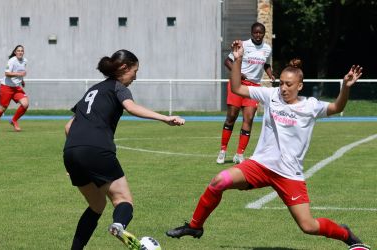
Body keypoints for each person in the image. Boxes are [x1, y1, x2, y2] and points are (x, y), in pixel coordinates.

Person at [166, 40, 368, 248]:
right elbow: (236, 88)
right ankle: (195, 225)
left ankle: (347, 236)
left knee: (308, 226)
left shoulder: (310, 106)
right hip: (260, 165)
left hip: (288, 174)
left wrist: (345, 87)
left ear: (300, 86)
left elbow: (336, 106)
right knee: (219, 181)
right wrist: (238, 59)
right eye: (281, 83)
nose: (283, 88)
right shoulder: (270, 95)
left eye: (288, 84)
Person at [63, 49, 185, 250]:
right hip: (97, 149)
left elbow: (68, 127)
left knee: (96, 206)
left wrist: (75, 159)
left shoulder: (93, 89)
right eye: (135, 71)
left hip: (71, 152)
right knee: (123, 200)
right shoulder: (117, 86)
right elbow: (131, 107)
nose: (135, 77)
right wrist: (164, 118)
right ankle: (119, 226)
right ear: (124, 67)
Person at [217, 22, 275, 164]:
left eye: (260, 32)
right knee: (231, 116)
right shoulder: (243, 45)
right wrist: (239, 73)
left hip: (253, 88)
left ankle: (239, 154)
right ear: (251, 33)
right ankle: (222, 151)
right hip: (238, 84)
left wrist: (271, 74)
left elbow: (265, 63)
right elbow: (228, 61)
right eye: (255, 32)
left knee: (248, 119)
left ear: (264, 33)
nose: (258, 35)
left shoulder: (267, 49)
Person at [0, 45, 28, 133]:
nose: (20, 52)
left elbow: (21, 71)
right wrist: (19, 75)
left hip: (16, 88)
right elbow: (7, 73)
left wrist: (22, 81)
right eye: (18, 50)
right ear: (15, 52)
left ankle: (13, 120)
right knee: (2, 108)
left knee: (25, 104)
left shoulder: (25, 61)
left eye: (22, 51)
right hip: (6, 87)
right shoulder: (11, 61)